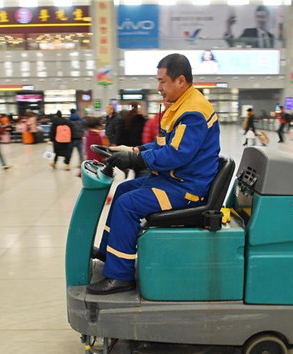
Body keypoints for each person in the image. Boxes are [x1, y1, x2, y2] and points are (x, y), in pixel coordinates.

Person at [86, 53, 221, 295]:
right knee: (123, 189)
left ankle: (120, 276)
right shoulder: (180, 105)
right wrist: (135, 150)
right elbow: (162, 144)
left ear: (180, 80)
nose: (158, 87)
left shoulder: (193, 112)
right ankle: (109, 252)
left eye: (162, 81)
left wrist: (137, 158)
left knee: (128, 204)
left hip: (187, 189)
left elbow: (177, 155)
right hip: (175, 180)